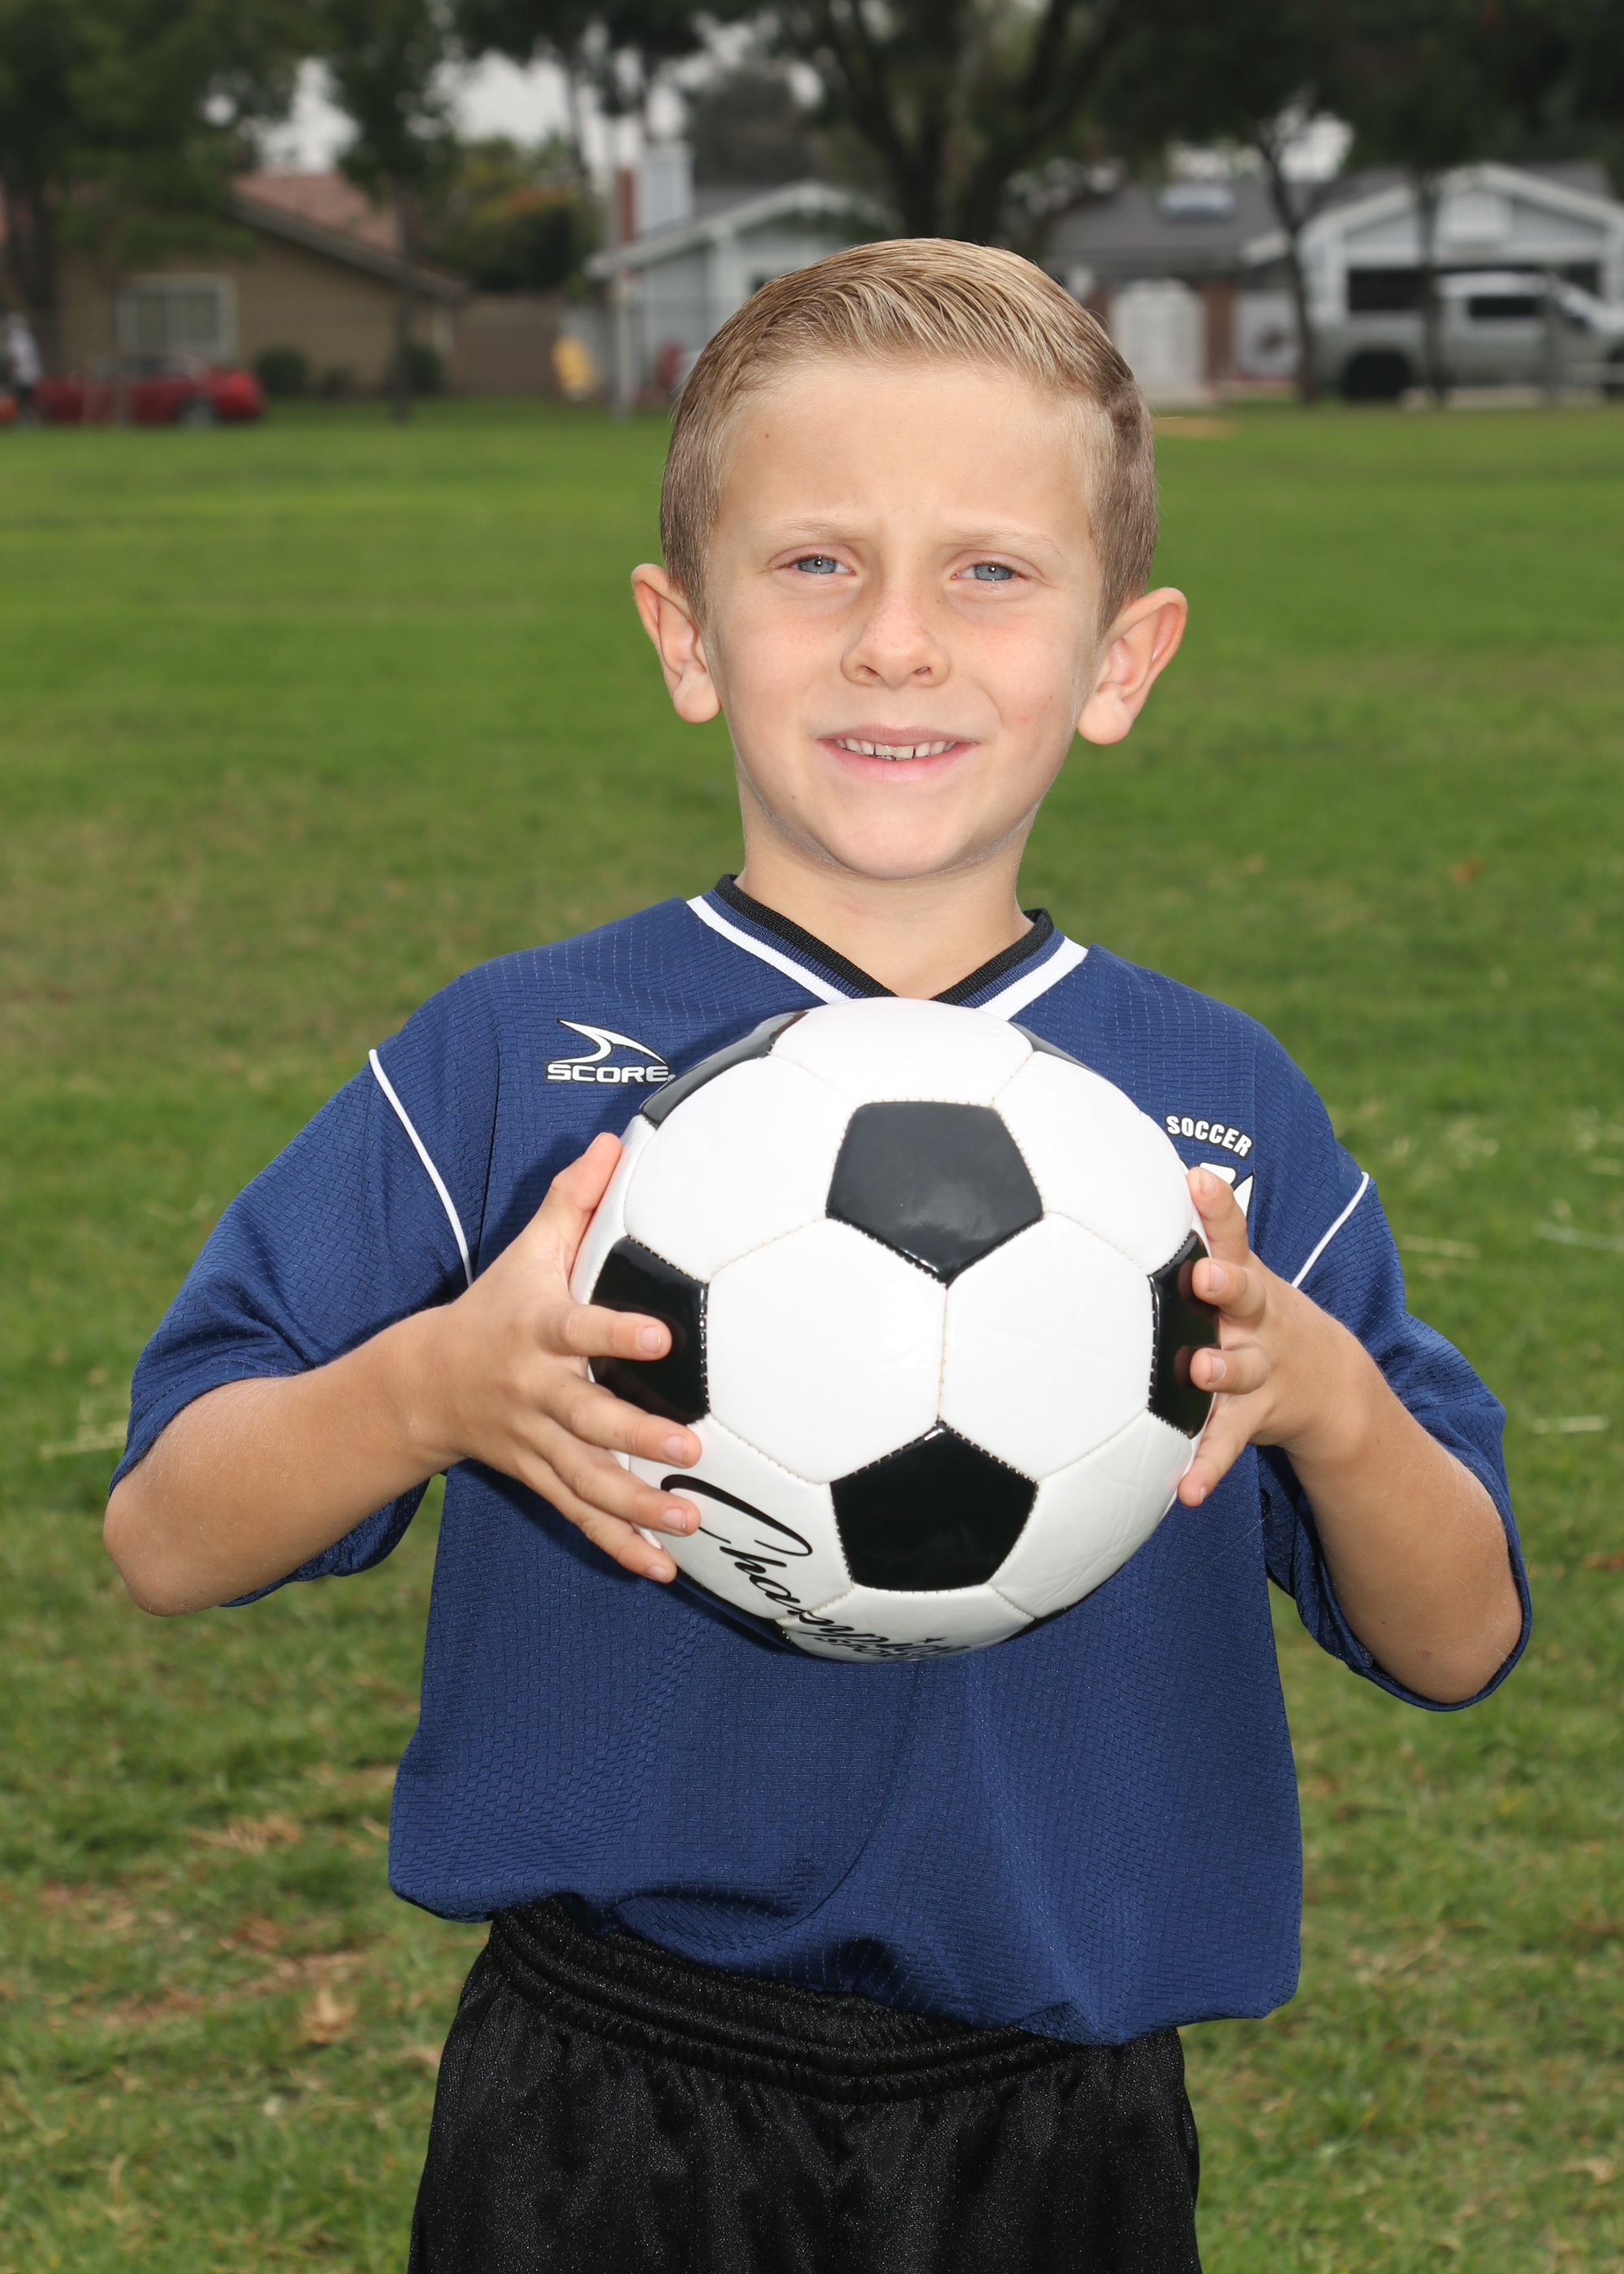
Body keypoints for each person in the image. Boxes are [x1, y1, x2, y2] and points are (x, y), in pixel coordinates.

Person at [104, 241, 1528, 2272]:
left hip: (1059, 2121)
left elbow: (1457, 1635)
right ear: (684, 635)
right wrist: (430, 1389)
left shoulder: (1211, 1111)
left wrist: (1328, 1399)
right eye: (813, 565)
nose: (895, 642)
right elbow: (168, 1533)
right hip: (603, 2100)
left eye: (989, 571)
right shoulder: (513, 1062)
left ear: (1121, 659)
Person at [5, 312, 41, 420]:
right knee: (27, 401)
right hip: (29, 375)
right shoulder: (28, 339)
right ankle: (30, 420)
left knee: (21, 400)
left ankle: (25, 419)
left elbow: (14, 359)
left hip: (23, 376)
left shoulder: (17, 340)